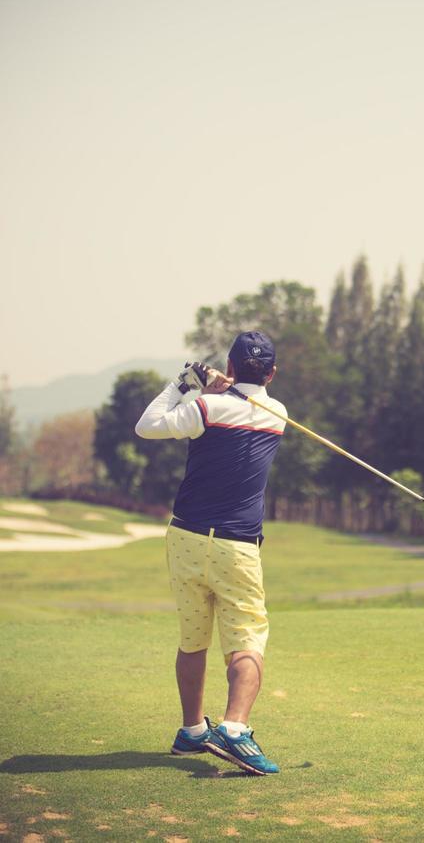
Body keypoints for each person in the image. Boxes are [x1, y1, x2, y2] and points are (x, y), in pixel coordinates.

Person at [135, 330, 286, 775]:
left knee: (193, 638)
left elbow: (147, 426)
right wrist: (226, 389)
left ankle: (192, 732)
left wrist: (186, 382)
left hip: (184, 538)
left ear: (231, 367)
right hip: (236, 546)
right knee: (248, 638)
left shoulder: (205, 407)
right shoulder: (277, 413)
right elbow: (249, 401)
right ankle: (235, 730)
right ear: (272, 374)